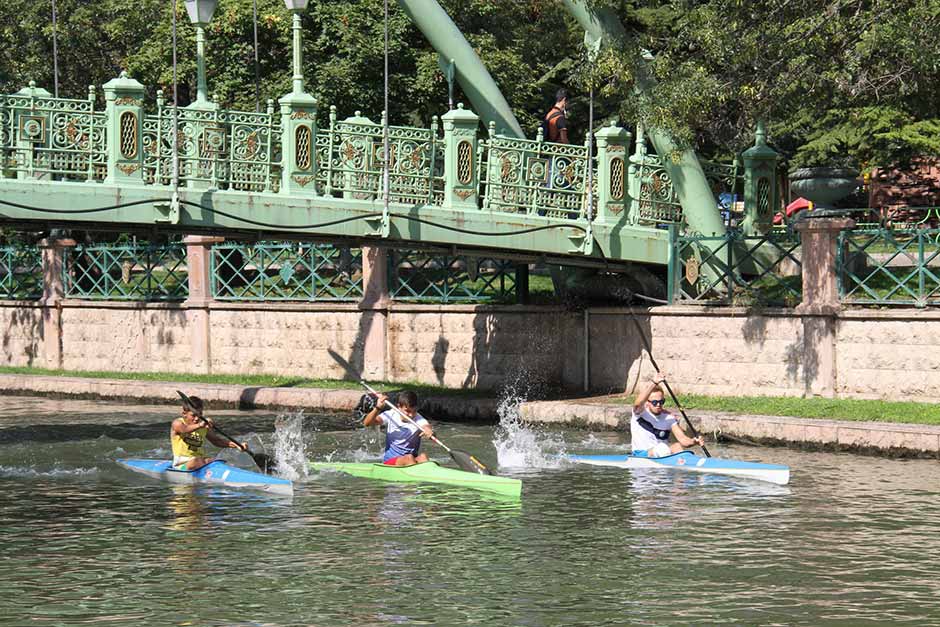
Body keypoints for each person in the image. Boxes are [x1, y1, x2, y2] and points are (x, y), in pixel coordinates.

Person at [631, 372, 705, 457]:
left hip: (661, 454)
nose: (658, 405)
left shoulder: (669, 418)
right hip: (640, 454)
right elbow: (638, 403)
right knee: (662, 448)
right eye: (655, 402)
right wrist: (654, 383)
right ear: (647, 403)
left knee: (677, 446)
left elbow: (683, 439)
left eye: (661, 402)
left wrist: (694, 441)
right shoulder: (639, 413)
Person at [170, 396, 246, 471]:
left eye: (200, 414)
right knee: (196, 461)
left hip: (200, 462)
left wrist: (237, 445)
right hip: (181, 465)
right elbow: (184, 430)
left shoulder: (203, 427)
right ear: (184, 414)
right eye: (193, 415)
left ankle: (207, 463)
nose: (197, 418)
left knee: (220, 460)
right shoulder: (177, 423)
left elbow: (217, 441)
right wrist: (200, 425)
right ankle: (205, 463)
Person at [363, 390, 434, 466]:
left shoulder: (419, 419)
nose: (411, 415)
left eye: (414, 411)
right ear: (399, 407)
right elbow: (367, 423)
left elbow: (427, 427)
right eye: (407, 411)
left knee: (423, 457)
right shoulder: (391, 414)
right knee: (409, 458)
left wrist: (429, 431)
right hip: (390, 461)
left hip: (411, 460)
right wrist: (377, 408)